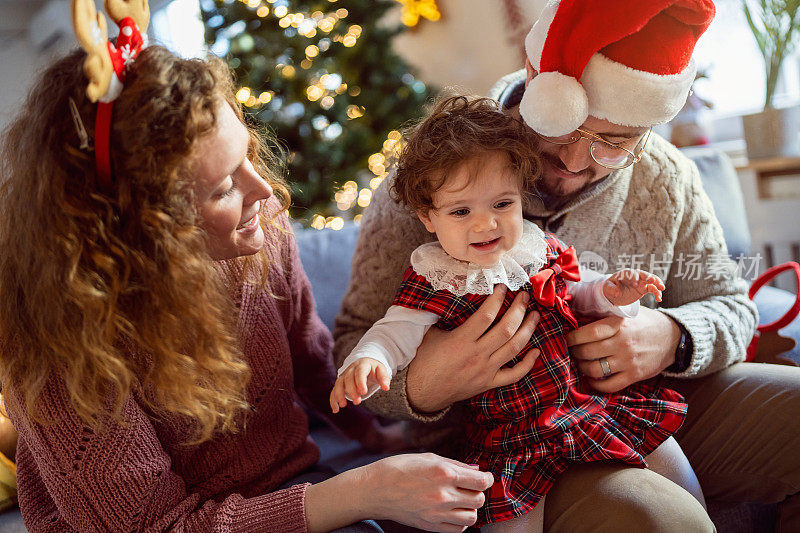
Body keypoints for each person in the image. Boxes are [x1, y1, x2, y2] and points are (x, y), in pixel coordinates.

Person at [0, 2, 495, 531]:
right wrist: (364, 491)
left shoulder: (260, 239)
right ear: (139, 225)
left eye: (248, 159)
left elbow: (313, 363)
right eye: (223, 188)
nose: (264, 194)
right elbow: (158, 525)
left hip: (293, 489)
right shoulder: (60, 352)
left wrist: (380, 437)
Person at [334, 1, 800, 531]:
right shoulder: (436, 177)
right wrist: (424, 384)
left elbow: (734, 307)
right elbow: (353, 342)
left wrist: (671, 335)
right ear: (537, 81)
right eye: (567, 129)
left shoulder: (668, 178)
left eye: (614, 142)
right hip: (502, 443)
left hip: (641, 406)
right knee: (654, 516)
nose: (577, 164)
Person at [330, 95, 705, 532]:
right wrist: (369, 359)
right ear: (427, 217)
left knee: (673, 465)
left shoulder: (533, 246)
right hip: (509, 437)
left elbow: (576, 290)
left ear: (520, 196)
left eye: (502, 204)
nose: (486, 224)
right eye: (461, 211)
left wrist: (611, 293)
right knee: (509, 521)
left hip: (583, 403)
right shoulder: (435, 278)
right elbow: (392, 332)